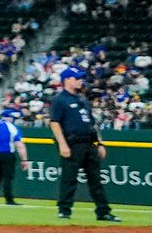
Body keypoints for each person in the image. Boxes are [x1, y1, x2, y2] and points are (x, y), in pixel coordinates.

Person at [48, 65, 118, 222]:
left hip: (88, 143)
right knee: (69, 179)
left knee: (96, 180)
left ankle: (103, 212)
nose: (80, 81)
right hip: (72, 144)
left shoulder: (82, 100)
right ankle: (64, 211)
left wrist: (99, 143)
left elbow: (92, 125)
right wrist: (62, 144)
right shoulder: (60, 100)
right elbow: (55, 123)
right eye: (76, 78)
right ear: (67, 80)